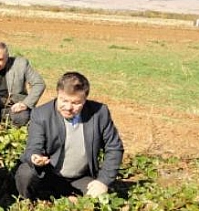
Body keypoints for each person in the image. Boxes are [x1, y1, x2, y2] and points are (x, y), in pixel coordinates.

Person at [14, 72, 124, 201]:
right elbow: (33, 147)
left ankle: (71, 197)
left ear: (85, 99)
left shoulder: (99, 113)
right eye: (64, 100)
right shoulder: (41, 114)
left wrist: (103, 181)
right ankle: (27, 201)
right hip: (49, 175)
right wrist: (35, 157)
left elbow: (114, 148)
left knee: (101, 199)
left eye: (76, 103)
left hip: (81, 177)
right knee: (26, 173)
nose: (68, 107)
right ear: (58, 93)